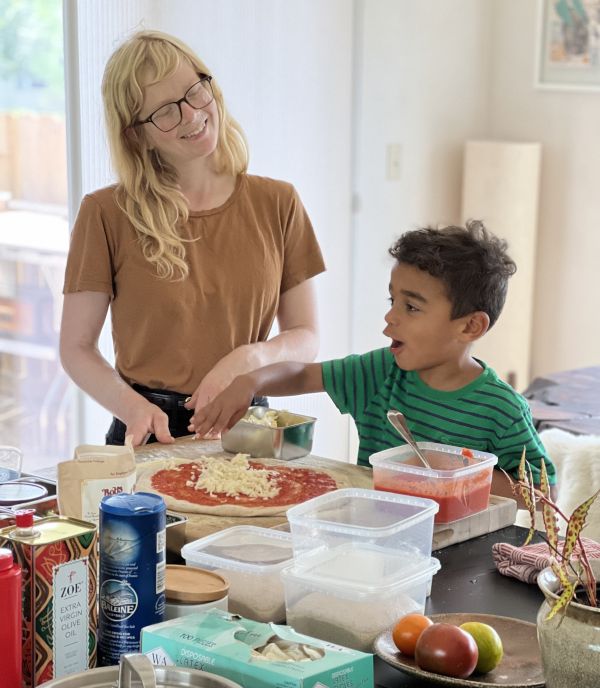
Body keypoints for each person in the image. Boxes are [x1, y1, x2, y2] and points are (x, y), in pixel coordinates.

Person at [60, 30, 325, 446]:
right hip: (150, 432)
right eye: (165, 111)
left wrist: (251, 358)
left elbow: (306, 335)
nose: (191, 114)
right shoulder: (106, 213)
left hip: (249, 426)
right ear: (136, 134)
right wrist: (131, 407)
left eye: (195, 91)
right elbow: (76, 347)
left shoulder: (279, 201)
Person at [192, 220, 556, 497]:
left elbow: (543, 492)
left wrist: (456, 472)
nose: (391, 317)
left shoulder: (500, 409)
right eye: (392, 301)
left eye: (411, 307)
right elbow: (303, 375)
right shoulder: (382, 372)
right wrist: (251, 381)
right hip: (376, 539)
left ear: (470, 326)